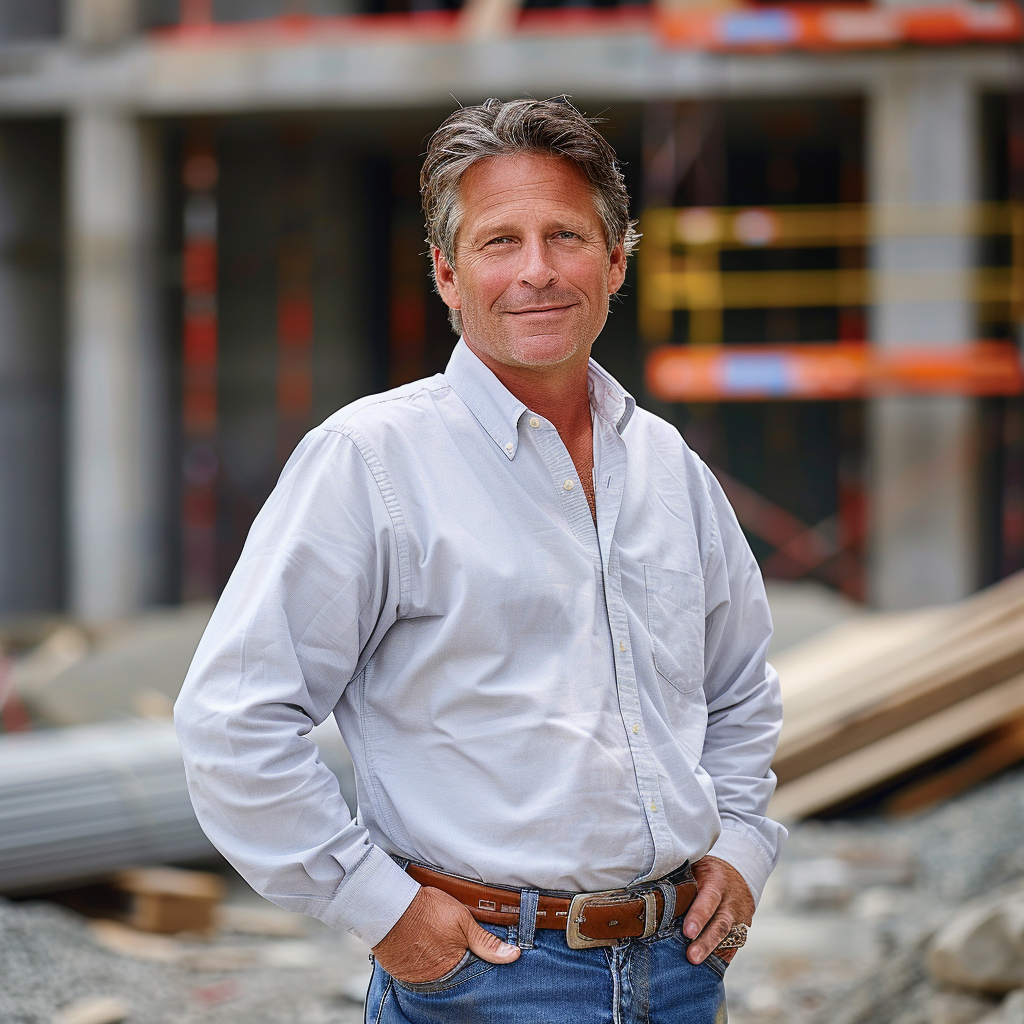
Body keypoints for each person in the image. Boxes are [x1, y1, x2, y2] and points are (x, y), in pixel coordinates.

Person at [175, 96, 786, 1023]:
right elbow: (232, 723)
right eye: (501, 242)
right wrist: (382, 913)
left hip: (681, 975)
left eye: (566, 237)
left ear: (617, 260)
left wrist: (742, 846)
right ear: (447, 275)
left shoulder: (669, 467)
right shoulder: (371, 463)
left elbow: (740, 689)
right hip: (488, 978)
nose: (536, 272)